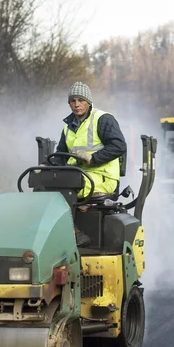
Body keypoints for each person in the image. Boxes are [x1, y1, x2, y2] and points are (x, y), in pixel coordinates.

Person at [52, 81, 127, 246]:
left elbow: (119, 146)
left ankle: (75, 234)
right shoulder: (68, 128)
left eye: (81, 100)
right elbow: (60, 155)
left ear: (88, 101)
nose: (76, 104)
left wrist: (93, 158)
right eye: (73, 100)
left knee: (66, 187)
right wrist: (46, 167)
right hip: (78, 177)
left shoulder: (103, 120)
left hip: (102, 178)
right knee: (44, 186)